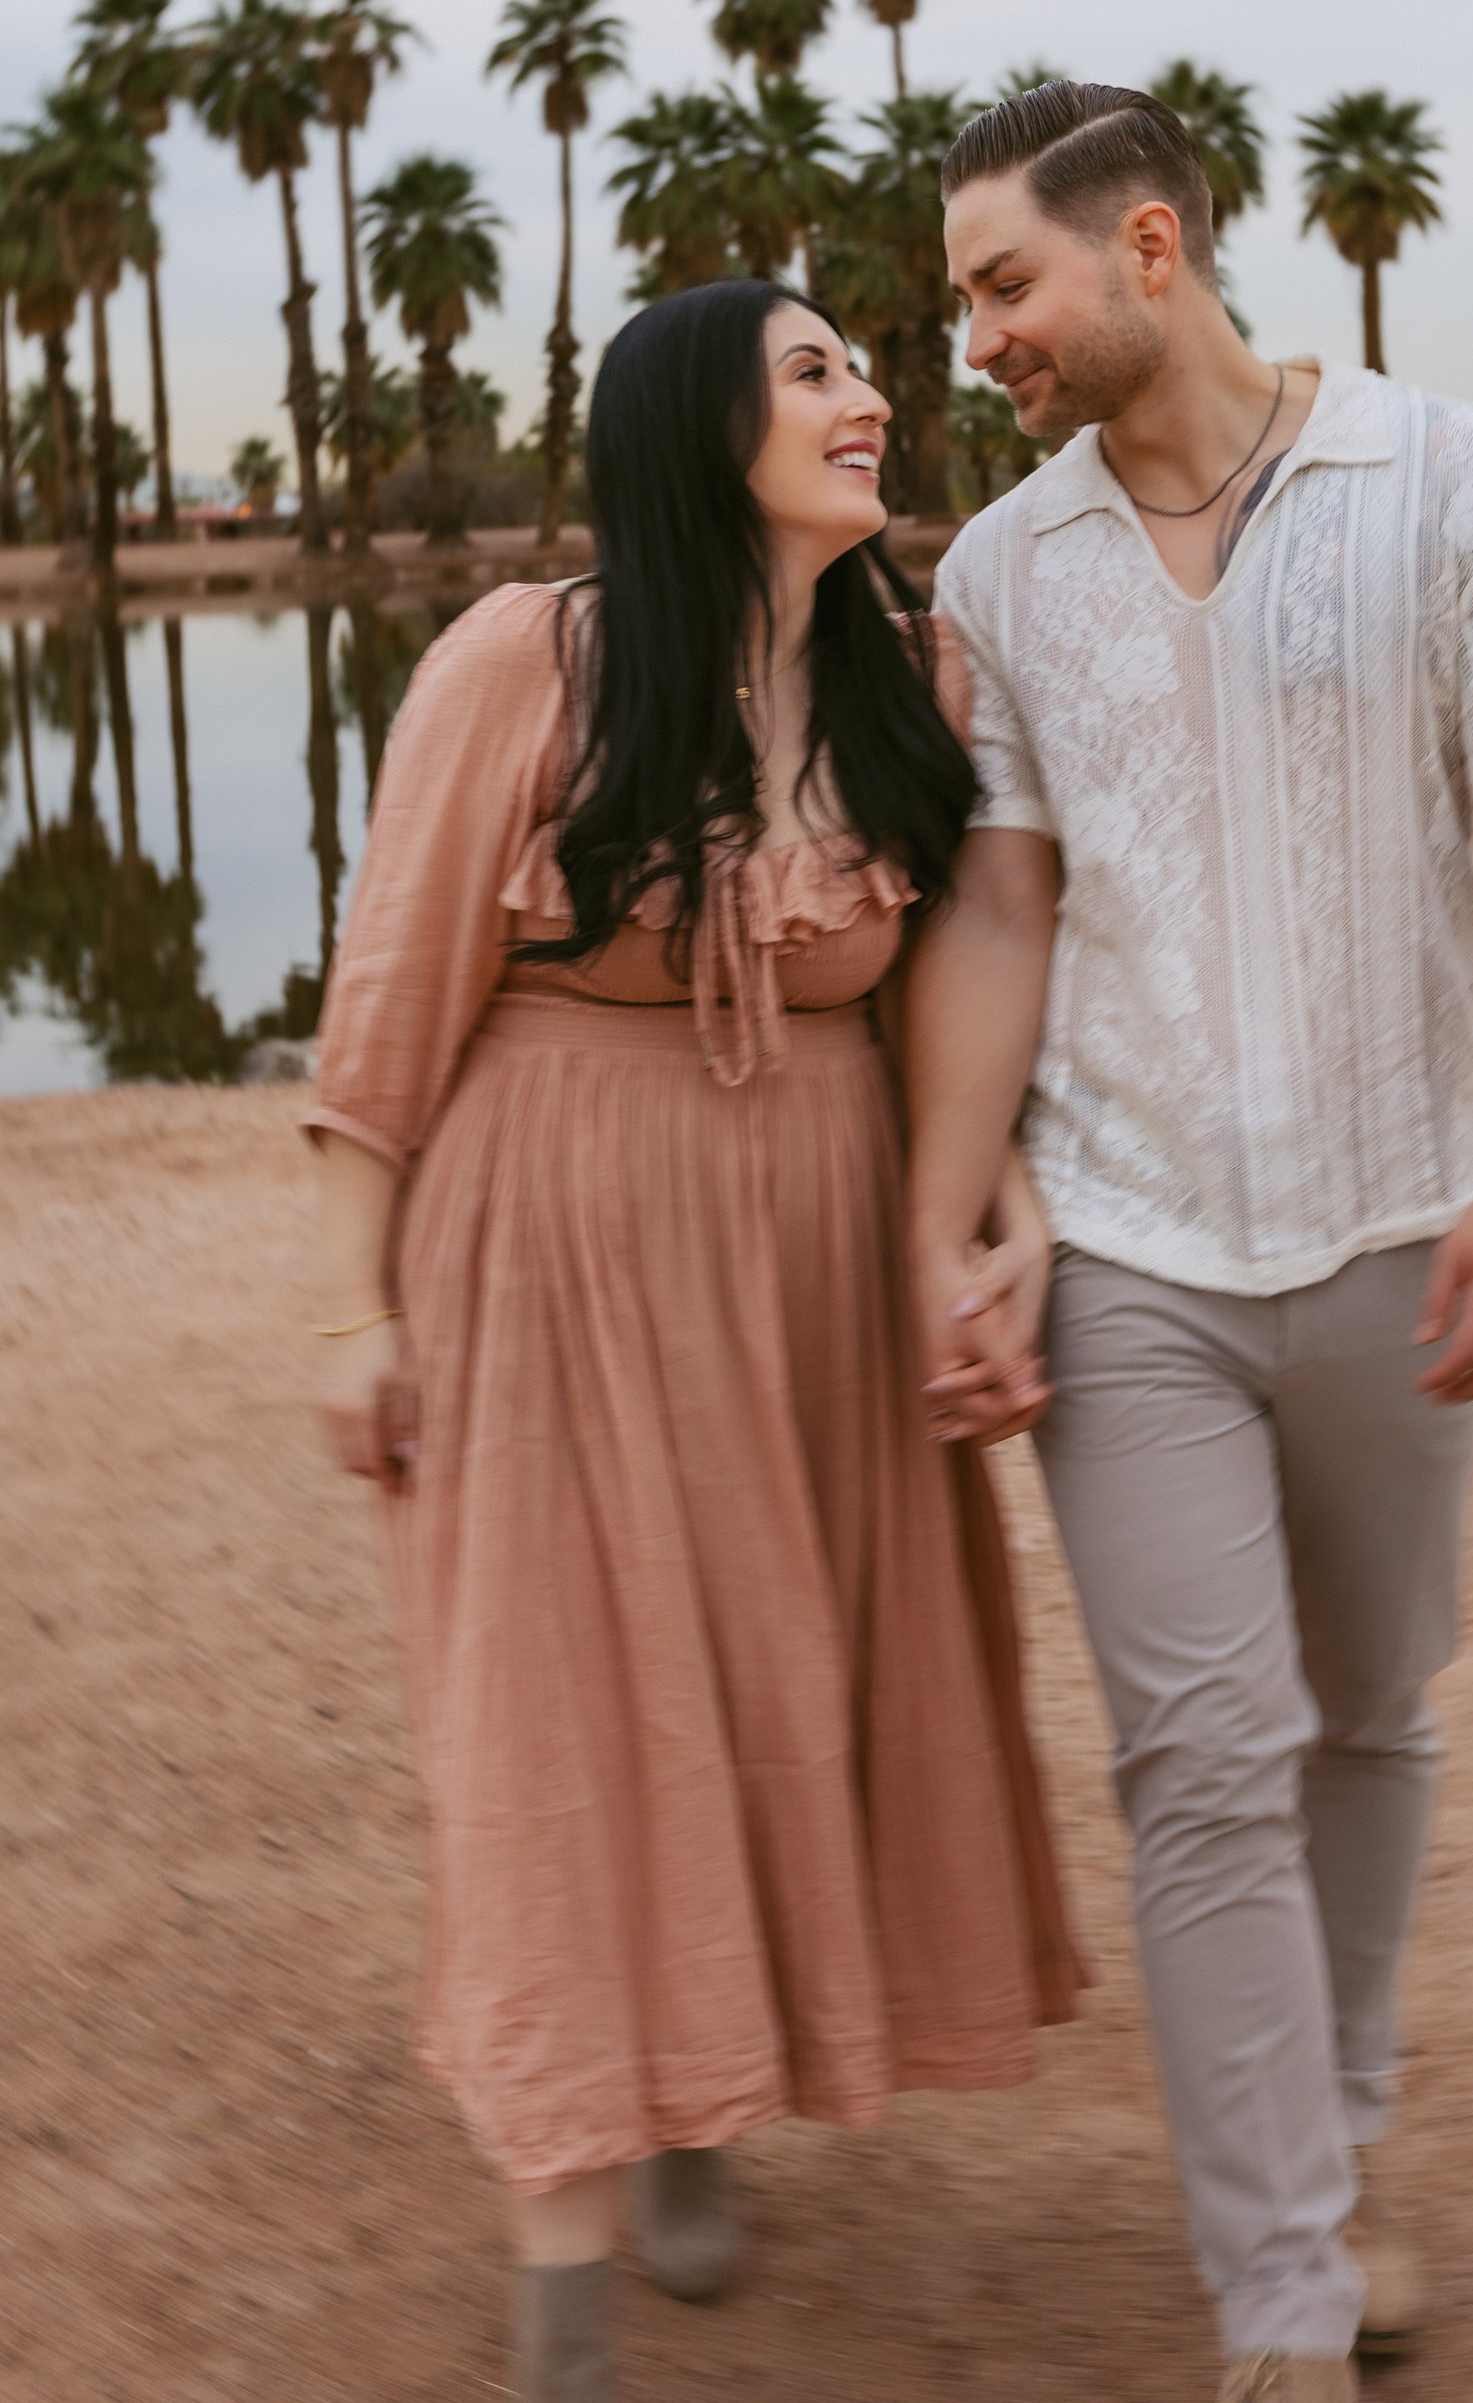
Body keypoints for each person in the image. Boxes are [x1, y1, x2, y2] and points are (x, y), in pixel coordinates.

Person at [907, 82, 1473, 2403]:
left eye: (1004, 287)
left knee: (1365, 1714)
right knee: (1204, 1755)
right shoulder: (998, 572)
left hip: (1399, 1218)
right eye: (961, 303)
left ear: (1150, 245)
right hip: (1130, 1245)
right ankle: (1283, 2307)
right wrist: (945, 1220)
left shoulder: (1458, 485)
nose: (977, 342)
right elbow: (1001, 903)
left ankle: (1327, 2144)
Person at [306, 279, 1077, 2403]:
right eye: (814, 371)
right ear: (689, 427)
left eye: (862, 366)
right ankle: (565, 2289)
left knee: (754, 1688)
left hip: (815, 1259)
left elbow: (954, 977)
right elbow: (388, 993)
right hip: (550, 1249)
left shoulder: (913, 670)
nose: (871, 396)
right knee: (559, 1724)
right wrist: (355, 1305)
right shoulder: (528, 661)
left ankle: (691, 2106)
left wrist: (988, 1198)